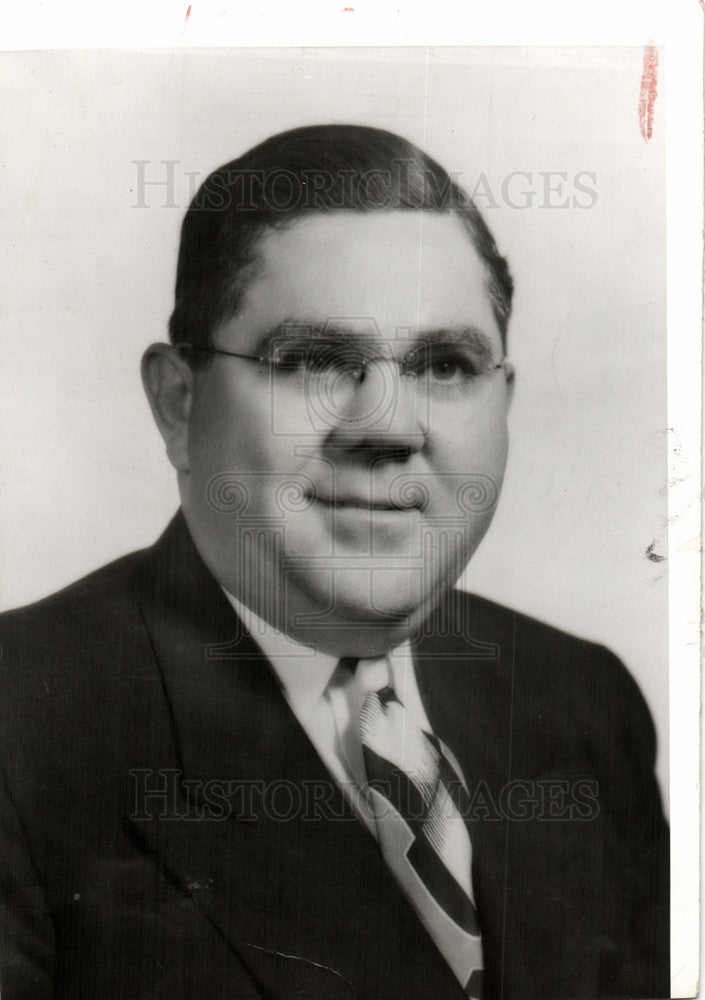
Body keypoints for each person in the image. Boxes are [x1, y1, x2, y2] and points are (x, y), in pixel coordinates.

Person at [0, 125, 669, 999]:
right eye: (315, 360)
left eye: (443, 364)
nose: (387, 427)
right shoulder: (22, 731)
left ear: (501, 403)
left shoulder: (579, 702)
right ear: (178, 403)